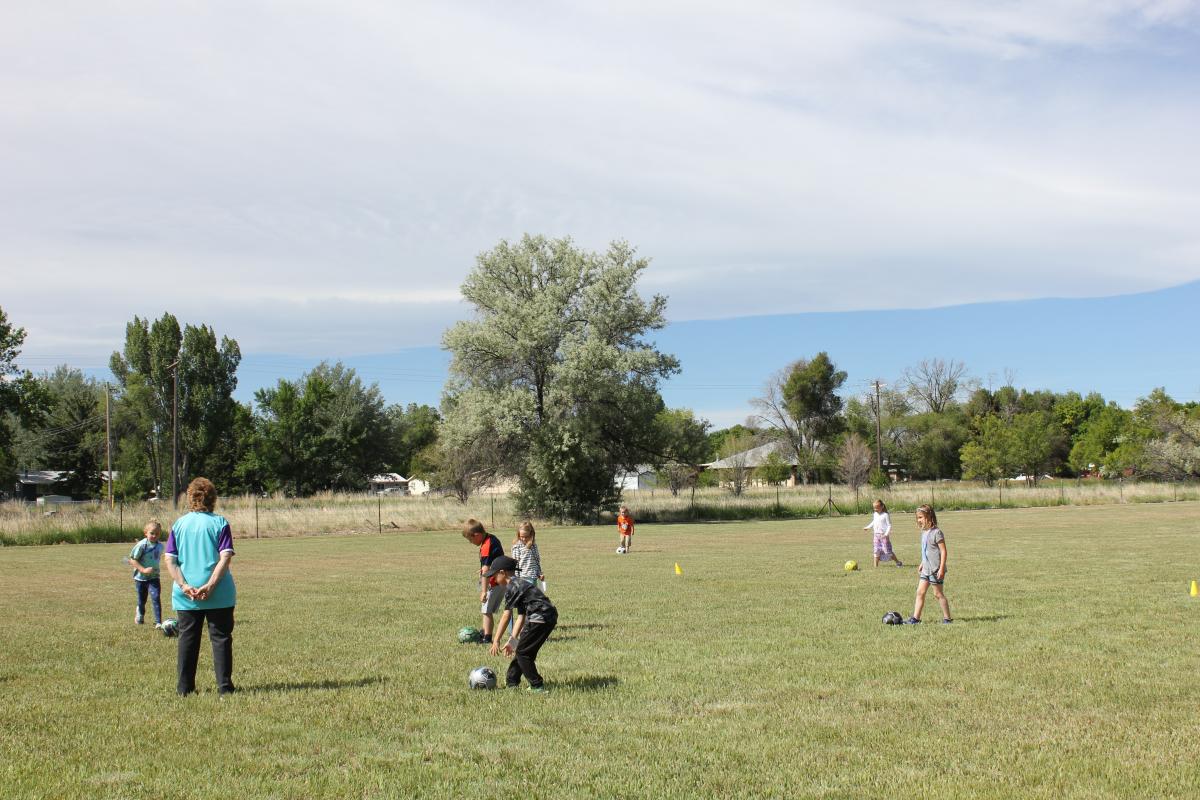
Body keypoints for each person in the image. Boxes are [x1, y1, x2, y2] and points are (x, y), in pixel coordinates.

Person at [163, 477, 237, 696]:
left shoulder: (179, 525)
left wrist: (184, 585)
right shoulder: (220, 523)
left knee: (187, 639)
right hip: (219, 593)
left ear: (190, 498)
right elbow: (225, 557)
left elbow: (170, 559)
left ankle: (184, 688)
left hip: (187, 595)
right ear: (213, 498)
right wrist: (211, 585)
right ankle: (225, 688)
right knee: (221, 639)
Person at [487, 555, 558, 692]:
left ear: (502, 572)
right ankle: (512, 682)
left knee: (523, 654)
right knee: (523, 650)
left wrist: (496, 640)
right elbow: (521, 616)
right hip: (545, 618)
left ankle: (537, 685)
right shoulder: (520, 584)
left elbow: (506, 616)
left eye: (494, 576)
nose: (493, 579)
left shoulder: (513, 587)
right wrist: (513, 639)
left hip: (540, 618)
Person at [905, 504, 952, 625]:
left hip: (935, 569)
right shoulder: (924, 532)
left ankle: (947, 618)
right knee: (920, 592)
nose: (919, 520)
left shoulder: (937, 532)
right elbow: (926, 550)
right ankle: (915, 618)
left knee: (938, 594)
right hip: (926, 569)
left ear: (929, 517)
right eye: (918, 518)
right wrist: (922, 563)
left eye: (921, 517)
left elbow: (943, 551)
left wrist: (941, 568)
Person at [463, 519, 504, 644]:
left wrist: (484, 591)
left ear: (477, 535)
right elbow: (493, 561)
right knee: (485, 609)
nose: (471, 543)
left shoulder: (486, 545)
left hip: (494, 583)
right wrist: (483, 569)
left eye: (470, 540)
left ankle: (487, 637)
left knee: (486, 611)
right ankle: (484, 631)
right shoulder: (491, 538)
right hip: (499, 580)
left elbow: (486, 570)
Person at [128, 520, 164, 628]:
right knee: (142, 600)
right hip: (140, 578)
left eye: (157, 534)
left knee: (156, 597)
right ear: (146, 533)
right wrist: (143, 570)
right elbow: (132, 560)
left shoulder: (160, 546)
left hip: (154, 577)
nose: (154, 536)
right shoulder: (141, 545)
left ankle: (158, 622)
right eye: (152, 533)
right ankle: (140, 613)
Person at [863, 499, 902, 568]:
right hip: (876, 535)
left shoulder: (885, 515)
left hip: (883, 536)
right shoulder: (875, 514)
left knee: (887, 551)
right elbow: (873, 522)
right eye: (874, 508)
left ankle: (898, 562)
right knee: (876, 550)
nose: (875, 509)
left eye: (877, 508)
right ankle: (875, 567)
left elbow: (889, 525)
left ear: (882, 507)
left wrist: (886, 534)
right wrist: (868, 527)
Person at [511, 521, 544, 590]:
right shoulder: (516, 546)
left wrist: (539, 573)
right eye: (521, 536)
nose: (524, 539)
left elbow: (536, 561)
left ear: (531, 534)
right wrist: (516, 579)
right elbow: (515, 563)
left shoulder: (534, 546)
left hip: (533, 577)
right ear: (518, 535)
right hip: (523, 578)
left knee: (533, 595)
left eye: (526, 537)